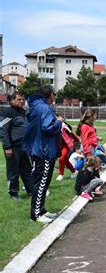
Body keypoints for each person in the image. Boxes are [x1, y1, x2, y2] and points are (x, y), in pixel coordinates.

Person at [22, 85, 62, 223]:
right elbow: (48, 127)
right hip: (44, 150)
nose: (55, 97)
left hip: (38, 148)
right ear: (51, 94)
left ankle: (41, 209)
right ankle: (37, 214)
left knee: (42, 182)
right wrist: (58, 123)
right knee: (42, 182)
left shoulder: (36, 106)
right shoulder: (44, 108)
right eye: (54, 94)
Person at [0, 91, 34, 199]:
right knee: (13, 170)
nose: (22, 101)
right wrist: (7, 147)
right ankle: (13, 193)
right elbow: (2, 129)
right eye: (19, 99)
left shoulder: (23, 112)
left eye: (23, 99)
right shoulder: (8, 113)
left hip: (24, 146)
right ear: (12, 100)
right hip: (13, 147)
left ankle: (31, 190)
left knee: (27, 169)